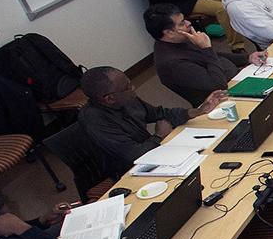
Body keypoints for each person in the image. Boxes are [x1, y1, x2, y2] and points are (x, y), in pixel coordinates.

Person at [77, 66, 226, 178]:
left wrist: (197, 111)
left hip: (153, 150)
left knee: (212, 155)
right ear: (109, 99)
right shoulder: (95, 120)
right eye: (127, 87)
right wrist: (159, 135)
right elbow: (133, 155)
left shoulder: (126, 99)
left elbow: (160, 113)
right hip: (130, 170)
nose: (133, 88)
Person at [145, 3, 265, 107]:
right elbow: (218, 85)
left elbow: (213, 56)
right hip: (224, 99)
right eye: (182, 23)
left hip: (237, 79)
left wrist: (247, 58)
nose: (188, 23)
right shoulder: (172, 63)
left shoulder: (179, 39)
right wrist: (206, 48)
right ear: (169, 33)